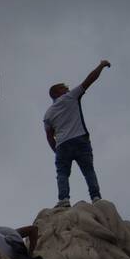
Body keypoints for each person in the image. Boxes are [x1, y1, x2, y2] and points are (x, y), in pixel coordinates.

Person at [44, 60, 110, 208]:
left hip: (62, 145)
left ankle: (64, 200)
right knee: (88, 170)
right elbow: (90, 79)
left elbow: (49, 135)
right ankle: (96, 197)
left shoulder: (48, 113)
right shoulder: (71, 97)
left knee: (62, 174)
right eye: (64, 88)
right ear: (56, 93)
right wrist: (101, 65)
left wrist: (57, 150)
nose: (67, 88)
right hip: (80, 140)